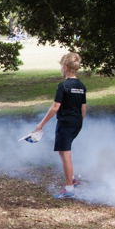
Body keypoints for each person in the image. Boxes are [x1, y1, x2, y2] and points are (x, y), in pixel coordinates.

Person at [35, 52, 86, 199]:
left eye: (61, 67)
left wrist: (42, 123)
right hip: (77, 123)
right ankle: (72, 178)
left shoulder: (63, 86)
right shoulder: (81, 86)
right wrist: (78, 123)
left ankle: (69, 188)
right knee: (63, 153)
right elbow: (83, 109)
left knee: (65, 155)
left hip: (65, 124)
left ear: (65, 68)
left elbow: (56, 106)